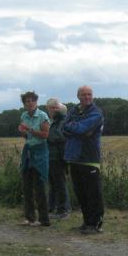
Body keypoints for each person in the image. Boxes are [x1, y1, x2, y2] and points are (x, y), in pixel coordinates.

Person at [63, 85, 105, 234]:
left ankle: (96, 225)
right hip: (74, 157)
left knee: (93, 193)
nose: (87, 97)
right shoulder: (74, 110)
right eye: (84, 94)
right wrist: (78, 129)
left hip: (89, 158)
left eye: (89, 94)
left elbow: (80, 128)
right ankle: (87, 222)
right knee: (81, 193)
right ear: (78, 96)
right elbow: (63, 128)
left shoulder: (96, 113)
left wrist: (74, 127)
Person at [18, 91, 51, 226]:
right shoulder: (24, 115)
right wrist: (22, 132)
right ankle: (30, 217)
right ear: (24, 104)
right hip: (28, 151)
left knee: (39, 187)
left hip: (40, 151)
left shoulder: (42, 116)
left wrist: (29, 129)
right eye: (27, 101)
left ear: (36, 102)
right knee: (26, 186)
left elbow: (45, 135)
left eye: (32, 100)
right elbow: (26, 136)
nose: (30, 103)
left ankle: (44, 219)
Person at [45, 98, 71, 219]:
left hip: (58, 157)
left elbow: (61, 136)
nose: (49, 111)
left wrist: (46, 136)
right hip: (52, 156)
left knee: (60, 183)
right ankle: (52, 208)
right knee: (53, 183)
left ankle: (63, 210)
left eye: (51, 108)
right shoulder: (55, 121)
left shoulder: (62, 121)